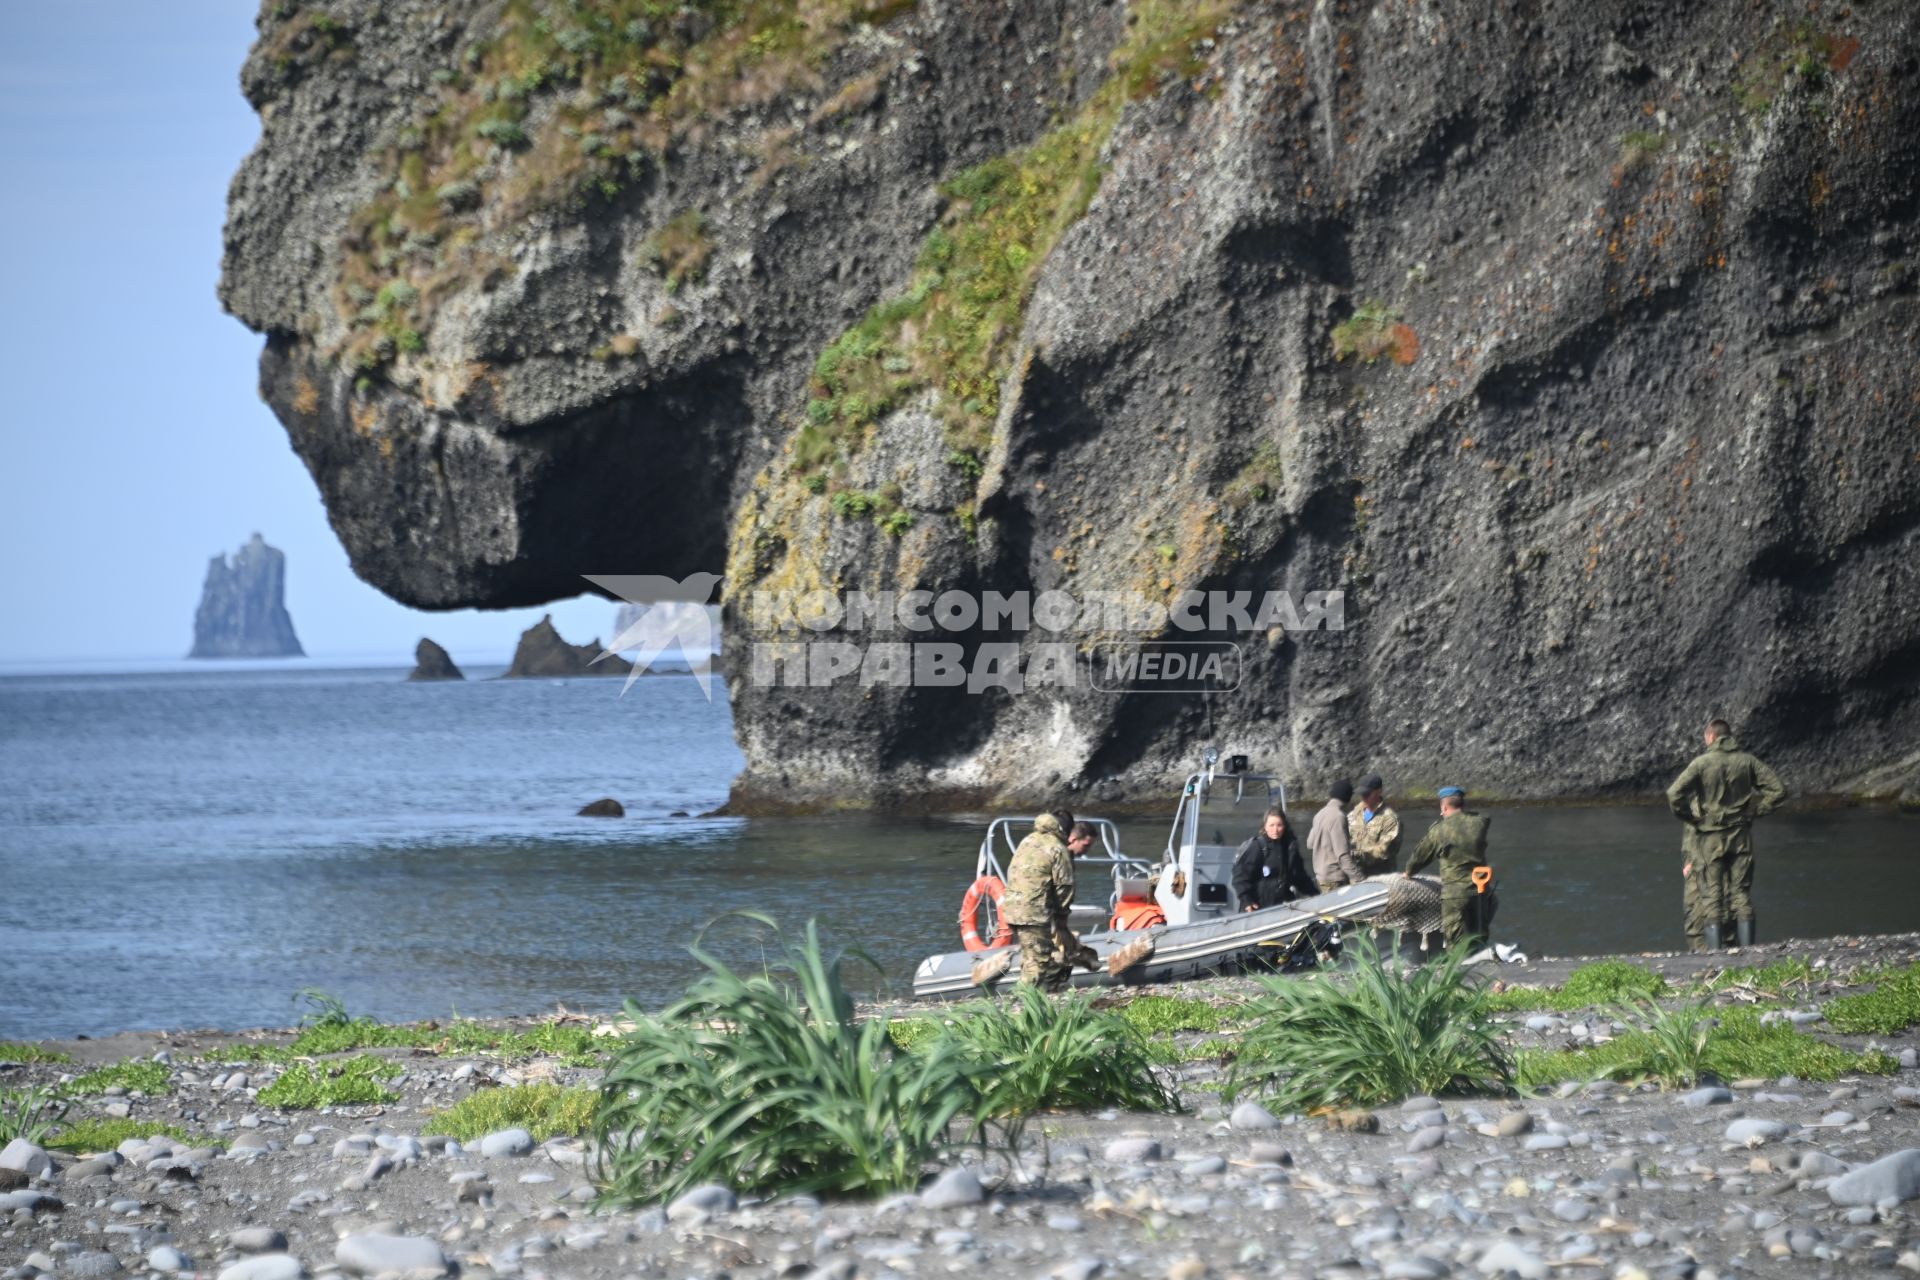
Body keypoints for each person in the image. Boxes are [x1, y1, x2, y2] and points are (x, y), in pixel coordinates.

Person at [1665, 718, 1786, 950]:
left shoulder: (1701, 763)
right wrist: (1755, 811)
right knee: (1741, 893)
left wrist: (1689, 818)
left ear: (1710, 737)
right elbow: (1778, 790)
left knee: (1712, 897)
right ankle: (1747, 950)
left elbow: (1674, 794)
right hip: (1741, 836)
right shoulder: (1747, 761)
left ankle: (1714, 955)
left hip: (1710, 839)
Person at [1002, 810, 1090, 991]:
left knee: (1032, 955)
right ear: (1066, 830)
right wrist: (1061, 919)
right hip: (1033, 911)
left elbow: (1013, 870)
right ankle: (1024, 1004)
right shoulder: (1058, 847)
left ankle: (1045, 992)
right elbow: (1064, 886)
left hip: (1012, 907)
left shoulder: (1028, 840)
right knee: (1038, 963)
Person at [1404, 786, 1492, 948]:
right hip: (1480, 889)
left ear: (1444, 807)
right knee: (1479, 938)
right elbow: (1482, 819)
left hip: (1455, 894)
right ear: (1462, 804)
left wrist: (1409, 872)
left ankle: (1460, 970)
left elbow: (1420, 857)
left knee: (1456, 943)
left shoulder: (1439, 831)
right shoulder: (1480, 823)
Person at [1232, 806, 1319, 911]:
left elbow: (1300, 877)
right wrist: (1246, 900)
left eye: (1279, 825)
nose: (1275, 830)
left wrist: (1316, 895)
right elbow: (1240, 877)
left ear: (1284, 826)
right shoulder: (1257, 847)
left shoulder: (1290, 848)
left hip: (1282, 904)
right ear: (1265, 827)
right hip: (1258, 906)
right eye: (1271, 825)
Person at [1307, 779, 1365, 888]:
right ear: (1348, 797)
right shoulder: (1339, 817)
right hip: (1335, 880)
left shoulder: (1319, 814)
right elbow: (1343, 857)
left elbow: (1310, 844)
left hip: (1321, 878)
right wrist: (1361, 880)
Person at [1347, 773, 1402, 874]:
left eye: (1367, 794)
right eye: (1361, 794)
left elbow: (1385, 850)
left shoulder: (1389, 819)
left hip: (1380, 876)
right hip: (1357, 873)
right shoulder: (1356, 812)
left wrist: (1359, 854)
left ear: (1379, 792)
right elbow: (1346, 836)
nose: (1363, 798)